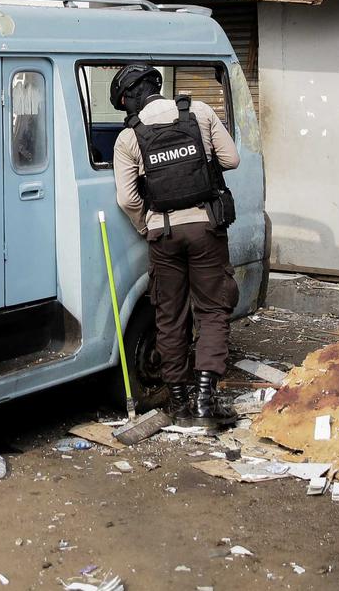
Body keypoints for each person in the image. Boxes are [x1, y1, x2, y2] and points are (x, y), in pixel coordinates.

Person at [110, 65, 241, 428]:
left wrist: (146, 226)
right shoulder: (198, 112)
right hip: (205, 227)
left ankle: (180, 403)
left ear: (129, 100)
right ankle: (205, 401)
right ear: (157, 86)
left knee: (169, 316)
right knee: (212, 310)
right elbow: (232, 160)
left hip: (163, 234)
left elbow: (127, 198)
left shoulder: (128, 138)